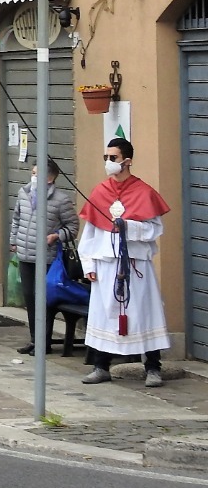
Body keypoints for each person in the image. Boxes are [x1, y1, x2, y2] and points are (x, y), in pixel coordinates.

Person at [78, 138, 172, 388]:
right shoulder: (100, 191)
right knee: (104, 315)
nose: (108, 162)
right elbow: (89, 234)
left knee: (143, 313)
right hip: (106, 265)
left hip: (135, 266)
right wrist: (88, 264)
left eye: (113, 158)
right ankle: (101, 366)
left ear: (127, 161)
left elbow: (155, 228)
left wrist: (128, 226)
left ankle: (153, 368)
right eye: (105, 158)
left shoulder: (144, 191)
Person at [8, 159, 80, 355]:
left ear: (50, 178)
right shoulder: (24, 193)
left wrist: (57, 236)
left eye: (37, 173)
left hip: (46, 258)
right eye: (32, 172)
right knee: (30, 299)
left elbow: (73, 227)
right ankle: (34, 339)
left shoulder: (61, 200)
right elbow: (16, 218)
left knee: (44, 300)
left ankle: (44, 342)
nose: (33, 176)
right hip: (25, 254)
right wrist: (13, 240)